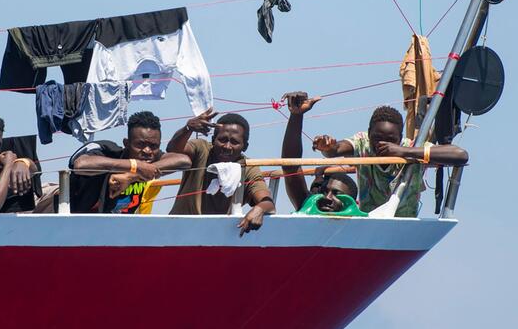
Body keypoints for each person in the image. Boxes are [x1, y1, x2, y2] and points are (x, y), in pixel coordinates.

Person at [312, 104, 468, 217]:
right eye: (377, 138)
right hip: (369, 222)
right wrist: (327, 147)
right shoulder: (363, 143)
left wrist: (404, 152)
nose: (382, 144)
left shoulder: (412, 147)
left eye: (391, 140)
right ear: (369, 133)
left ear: (400, 138)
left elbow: (461, 155)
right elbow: (335, 150)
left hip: (402, 226)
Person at [167, 109, 275, 236]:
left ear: (245, 146)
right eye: (223, 140)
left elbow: (268, 203)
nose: (227, 146)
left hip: (217, 237)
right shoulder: (201, 149)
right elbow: (172, 149)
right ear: (213, 140)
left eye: (234, 142)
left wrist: (259, 209)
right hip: (178, 230)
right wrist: (188, 128)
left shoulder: (248, 168)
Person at [67, 111, 190, 214]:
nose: (147, 151)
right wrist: (135, 166)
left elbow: (184, 161)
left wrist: (133, 175)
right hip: (64, 214)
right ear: (126, 144)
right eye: (140, 144)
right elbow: (80, 164)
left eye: (153, 146)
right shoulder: (107, 151)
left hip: (113, 227)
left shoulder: (151, 160)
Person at [280, 91, 364, 215]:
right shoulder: (309, 207)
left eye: (337, 194)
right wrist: (296, 116)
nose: (328, 198)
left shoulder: (363, 222)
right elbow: (290, 166)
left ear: (352, 202)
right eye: (325, 191)